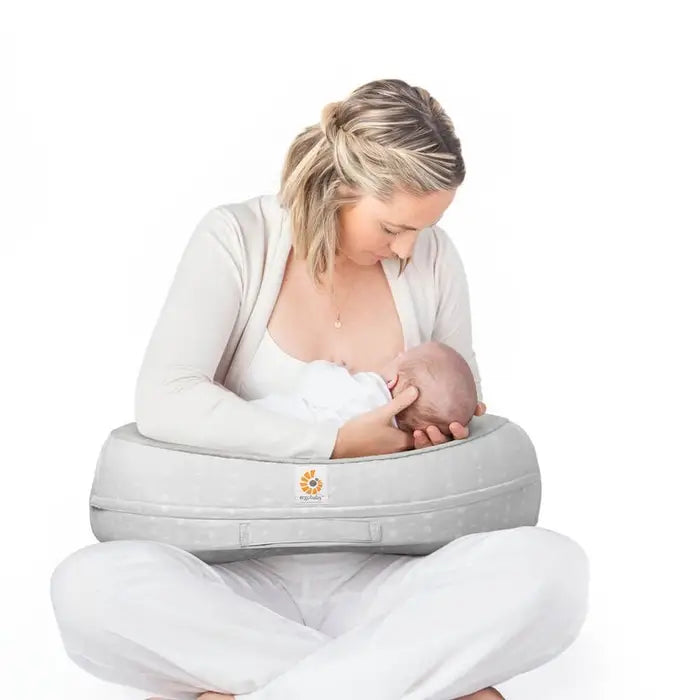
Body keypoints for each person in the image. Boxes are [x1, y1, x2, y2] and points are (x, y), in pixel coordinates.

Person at [49, 79, 589, 700]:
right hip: (234, 578)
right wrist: (333, 443)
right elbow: (166, 398)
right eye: (393, 227)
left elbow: (457, 395)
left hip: (393, 579)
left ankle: (267, 683)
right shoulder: (239, 238)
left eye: (423, 229)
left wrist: (444, 438)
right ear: (339, 187)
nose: (408, 249)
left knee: (552, 569)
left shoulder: (434, 260)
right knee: (90, 586)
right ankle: (405, 679)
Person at [248, 340, 479, 437]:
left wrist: (331, 368)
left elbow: (314, 380)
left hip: (271, 419)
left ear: (393, 381)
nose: (399, 353)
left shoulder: (371, 390)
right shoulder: (392, 436)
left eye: (402, 357)